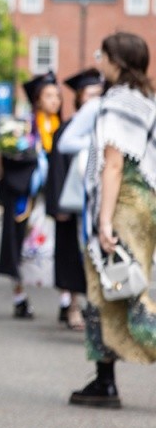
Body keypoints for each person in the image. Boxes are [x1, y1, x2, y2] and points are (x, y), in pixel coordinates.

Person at [68, 33, 156, 408]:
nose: (97, 60)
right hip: (143, 204)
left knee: (114, 291)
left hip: (122, 206)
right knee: (119, 289)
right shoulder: (146, 101)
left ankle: (105, 382)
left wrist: (104, 222)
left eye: (102, 55)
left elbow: (113, 163)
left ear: (117, 62)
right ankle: (104, 379)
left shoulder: (116, 103)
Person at [0, 71, 60, 318]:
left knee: (56, 245)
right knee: (19, 245)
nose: (55, 101)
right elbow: (8, 158)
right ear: (37, 99)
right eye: (49, 96)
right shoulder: (23, 127)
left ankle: (67, 301)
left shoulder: (60, 127)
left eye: (57, 96)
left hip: (50, 196)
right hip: (26, 195)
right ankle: (19, 296)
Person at [47, 68, 104, 331]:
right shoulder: (67, 130)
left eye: (98, 94)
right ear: (79, 97)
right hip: (71, 203)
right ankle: (72, 307)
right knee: (71, 259)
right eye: (89, 94)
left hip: (97, 204)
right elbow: (57, 170)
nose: (94, 99)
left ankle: (96, 310)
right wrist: (58, 205)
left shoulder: (106, 126)